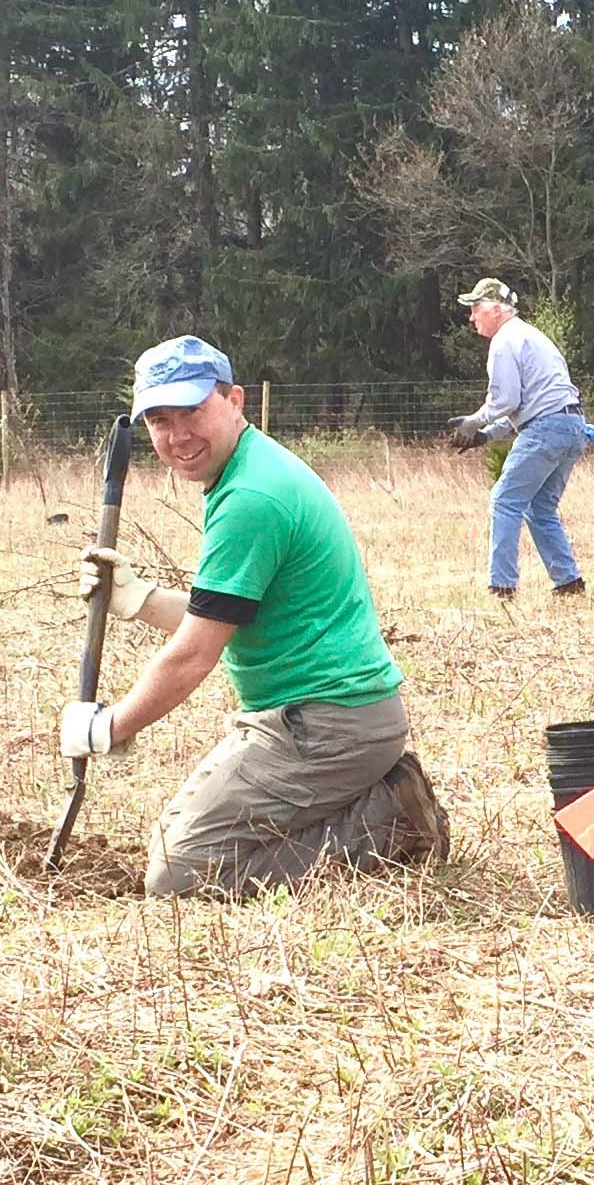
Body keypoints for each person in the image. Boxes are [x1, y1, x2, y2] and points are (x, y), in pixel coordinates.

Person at [73, 337, 449, 897]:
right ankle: (373, 803)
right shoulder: (249, 469)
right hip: (320, 717)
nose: (178, 437)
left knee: (180, 875)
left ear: (235, 400)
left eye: (193, 411)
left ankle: (392, 818)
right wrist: (140, 599)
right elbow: (232, 615)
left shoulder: (251, 496)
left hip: (325, 725)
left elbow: (196, 654)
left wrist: (110, 726)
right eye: (159, 420)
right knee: (177, 844)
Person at [442, 276, 594, 602]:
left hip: (546, 429)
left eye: (475, 309)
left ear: (496, 309)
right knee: (540, 508)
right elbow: (530, 406)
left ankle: (502, 588)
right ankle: (569, 584)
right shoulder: (532, 336)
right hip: (572, 428)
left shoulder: (504, 342)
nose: (471, 318)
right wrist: (485, 437)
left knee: (504, 500)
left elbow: (506, 402)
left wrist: (473, 422)